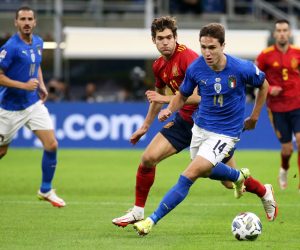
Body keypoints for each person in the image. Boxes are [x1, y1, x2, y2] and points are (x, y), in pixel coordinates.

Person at [112, 16, 276, 228]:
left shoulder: (191, 59)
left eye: (169, 37)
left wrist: (254, 117)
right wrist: (146, 125)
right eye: (160, 38)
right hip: (190, 122)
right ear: (153, 40)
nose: (165, 42)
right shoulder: (161, 66)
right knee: (148, 159)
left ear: (176, 38)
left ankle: (151, 221)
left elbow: (198, 96)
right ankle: (137, 212)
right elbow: (167, 95)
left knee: (203, 176)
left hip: (220, 128)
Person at [0, 6, 65, 207]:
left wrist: (41, 86)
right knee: (2, 152)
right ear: (16, 23)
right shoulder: (9, 47)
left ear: (35, 22)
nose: (26, 22)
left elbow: (35, 67)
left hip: (32, 104)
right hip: (9, 108)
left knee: (52, 144)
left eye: (30, 19)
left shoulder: (38, 42)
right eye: (23, 19)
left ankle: (45, 189)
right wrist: (24, 85)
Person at [256, 19, 300, 191]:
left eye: (285, 30)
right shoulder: (265, 55)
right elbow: (257, 78)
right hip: (277, 108)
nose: (282, 33)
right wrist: (269, 87)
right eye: (279, 30)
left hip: (297, 104)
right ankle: (284, 169)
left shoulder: (297, 52)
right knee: (287, 149)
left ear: (289, 33)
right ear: (274, 34)